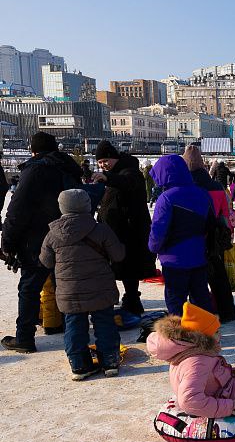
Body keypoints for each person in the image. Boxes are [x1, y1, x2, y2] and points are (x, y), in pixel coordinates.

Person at [1, 132, 82, 354]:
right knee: (65, 285)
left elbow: (17, 210)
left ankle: (24, 338)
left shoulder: (35, 170)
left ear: (33, 150)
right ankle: (73, 332)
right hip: (70, 236)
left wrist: (7, 242)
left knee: (29, 288)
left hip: (37, 240)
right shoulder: (68, 168)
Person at [39, 189, 125, 379]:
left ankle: (79, 365)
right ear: (87, 205)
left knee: (74, 326)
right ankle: (110, 361)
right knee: (105, 323)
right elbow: (118, 255)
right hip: (100, 288)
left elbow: (46, 262)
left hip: (70, 292)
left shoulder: (53, 234)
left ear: (62, 207)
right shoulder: (101, 229)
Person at [92, 140, 156, 315]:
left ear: (115, 158)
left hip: (130, 232)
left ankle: (132, 301)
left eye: (106, 160)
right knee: (123, 269)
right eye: (100, 162)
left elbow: (128, 182)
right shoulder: (116, 172)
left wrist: (108, 178)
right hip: (117, 231)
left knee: (129, 269)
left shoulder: (129, 170)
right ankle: (129, 300)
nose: (103, 164)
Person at [148, 155, 214, 316]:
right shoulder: (202, 193)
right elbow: (210, 224)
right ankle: (206, 334)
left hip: (173, 259)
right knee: (200, 298)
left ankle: (180, 337)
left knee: (176, 301)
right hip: (198, 256)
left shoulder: (166, 198)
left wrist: (153, 247)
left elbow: (158, 230)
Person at [183, 146, 235, 323]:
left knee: (194, 280)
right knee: (218, 276)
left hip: (192, 238)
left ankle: (199, 315)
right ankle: (227, 311)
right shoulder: (216, 187)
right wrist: (228, 234)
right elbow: (224, 212)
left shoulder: (184, 187)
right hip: (215, 237)